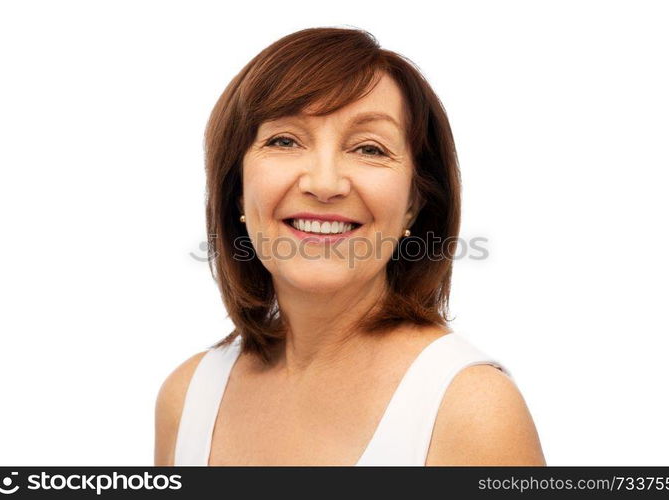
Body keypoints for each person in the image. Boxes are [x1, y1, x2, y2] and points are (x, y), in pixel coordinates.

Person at [154, 26, 545, 466]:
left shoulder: (470, 408)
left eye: (369, 149)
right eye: (284, 140)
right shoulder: (187, 397)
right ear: (238, 191)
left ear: (415, 203)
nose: (324, 184)